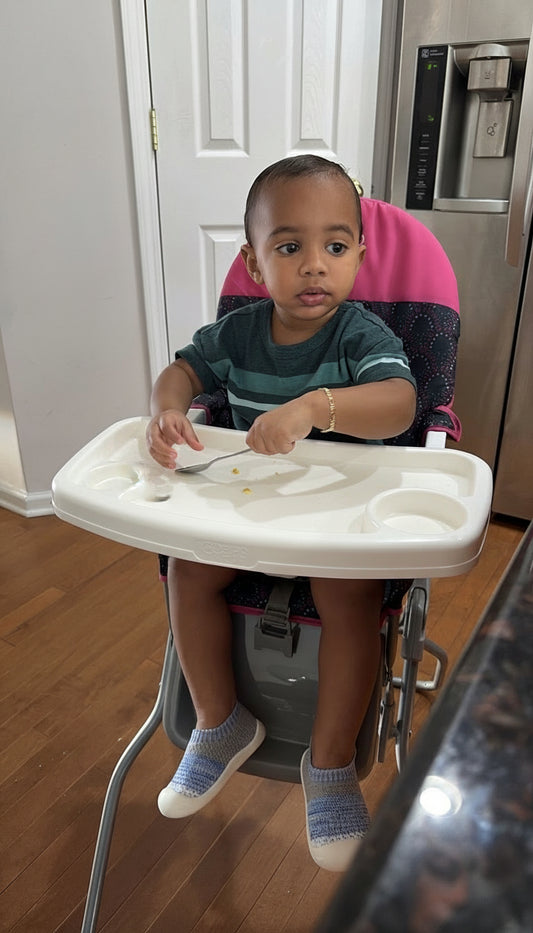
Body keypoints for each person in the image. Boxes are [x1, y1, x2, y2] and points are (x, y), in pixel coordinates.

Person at [146, 154, 417, 872]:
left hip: (334, 525)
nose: (313, 266)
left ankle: (327, 763)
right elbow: (181, 369)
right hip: (248, 510)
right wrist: (168, 407)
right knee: (189, 569)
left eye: (334, 246)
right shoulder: (237, 335)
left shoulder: (358, 336)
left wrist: (315, 406)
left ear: (360, 254)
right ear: (253, 261)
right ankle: (219, 720)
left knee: (349, 596)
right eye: (288, 247)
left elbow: (399, 403)